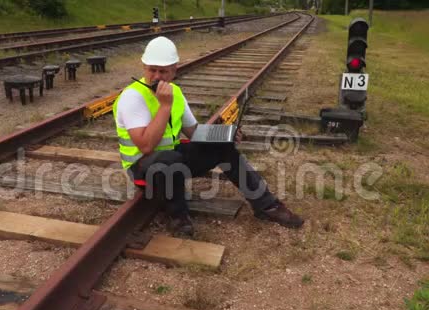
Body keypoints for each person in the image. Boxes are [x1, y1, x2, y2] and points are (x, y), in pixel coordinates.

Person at [112, 36, 304, 236]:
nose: (157, 76)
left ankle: (267, 206)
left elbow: (193, 131)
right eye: (152, 70)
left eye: (163, 71)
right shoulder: (132, 97)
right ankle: (178, 218)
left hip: (172, 162)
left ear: (174, 70)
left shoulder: (175, 92)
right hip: (143, 169)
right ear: (143, 67)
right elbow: (145, 146)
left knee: (221, 147)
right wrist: (164, 106)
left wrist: (224, 134)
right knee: (170, 159)